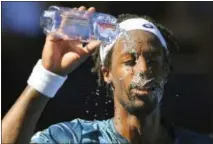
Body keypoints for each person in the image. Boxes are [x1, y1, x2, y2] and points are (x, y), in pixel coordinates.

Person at [4, 6, 212, 144]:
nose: (142, 70)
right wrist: (47, 75)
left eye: (153, 60)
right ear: (107, 73)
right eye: (129, 61)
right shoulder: (72, 138)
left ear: (165, 71)